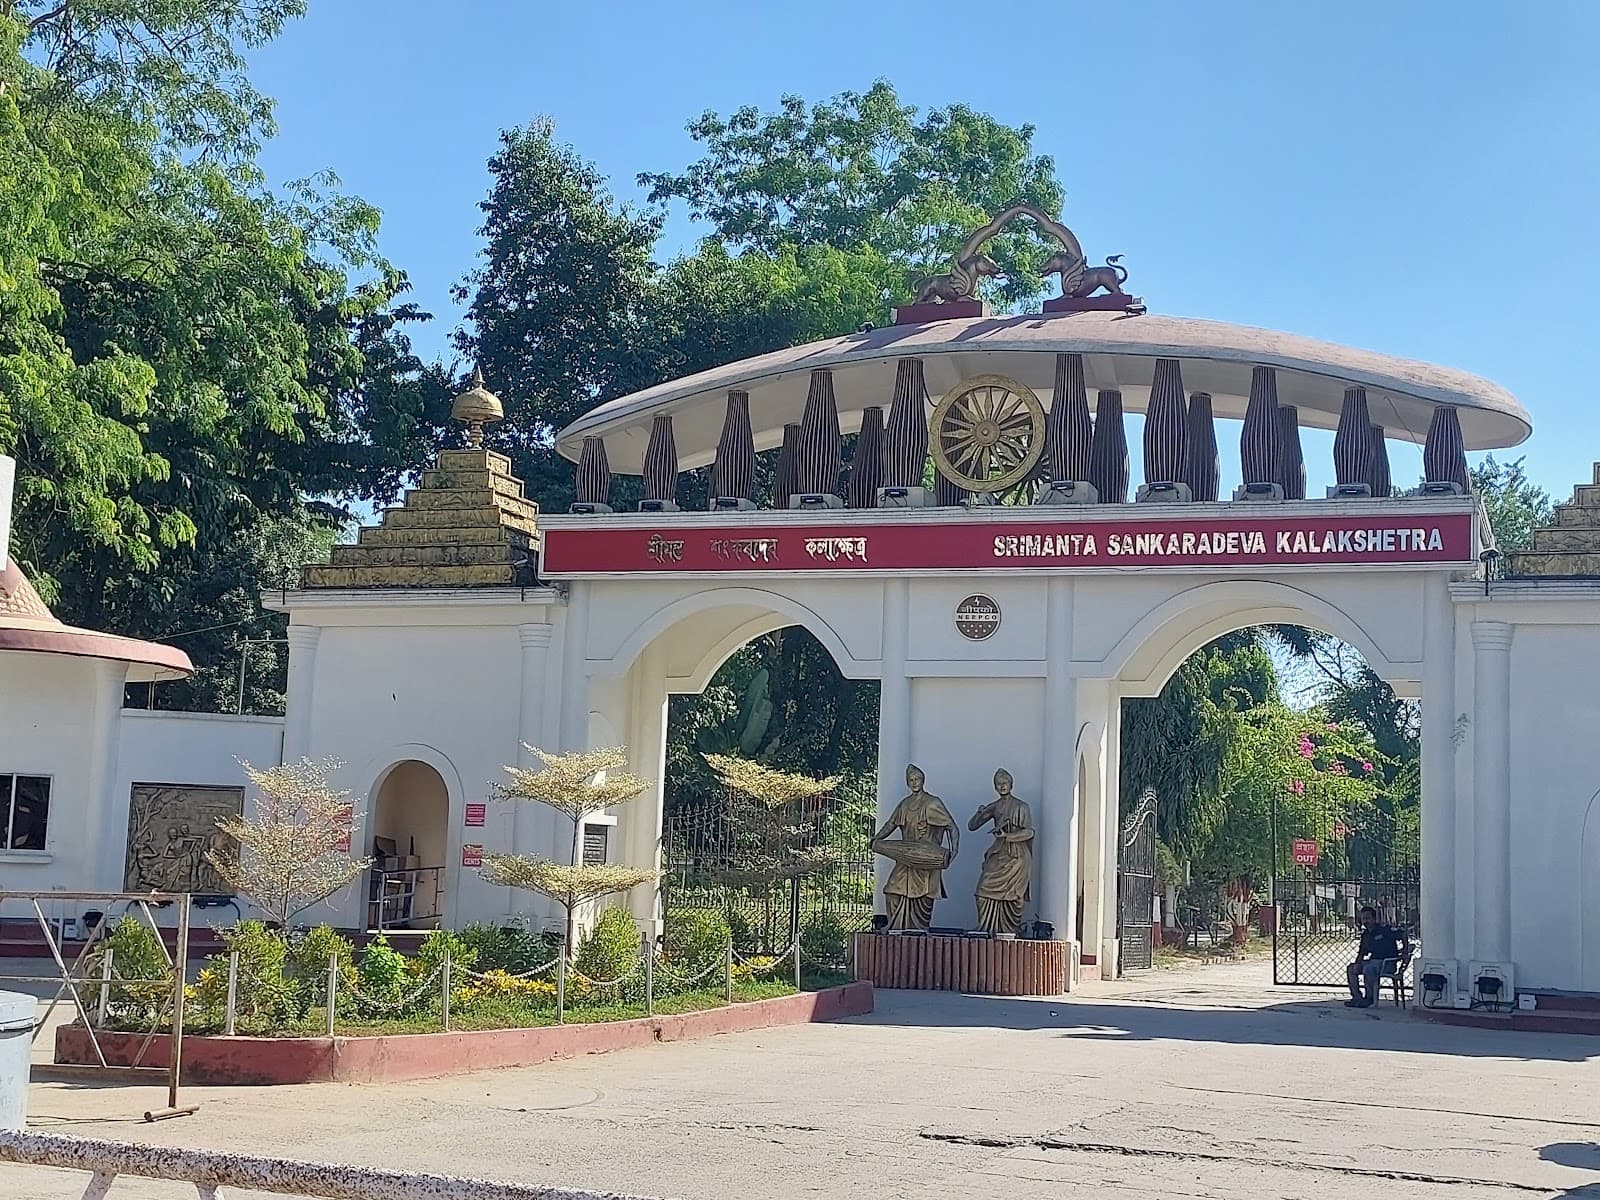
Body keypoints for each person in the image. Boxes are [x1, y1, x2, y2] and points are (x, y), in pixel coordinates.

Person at [1346, 905, 1408, 1007]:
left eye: (1368, 918)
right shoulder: (1365, 934)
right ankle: (1357, 998)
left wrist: (1405, 951)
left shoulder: (1384, 929)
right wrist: (1357, 963)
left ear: (1374, 919)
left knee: (1368, 969)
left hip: (1387, 963)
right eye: (1363, 919)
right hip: (1373, 962)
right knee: (1351, 968)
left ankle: (1369, 998)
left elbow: (1403, 934)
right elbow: (1362, 952)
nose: (1366, 921)